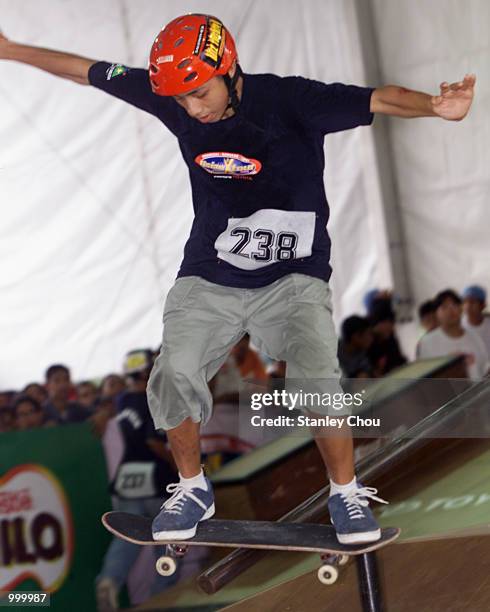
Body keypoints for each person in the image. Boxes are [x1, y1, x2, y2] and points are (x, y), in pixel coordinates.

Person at [0, 14, 476, 545]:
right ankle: (192, 487)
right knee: (174, 369)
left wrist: (434, 107)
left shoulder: (291, 101)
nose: (193, 110)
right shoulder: (174, 97)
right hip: (211, 276)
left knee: (316, 375)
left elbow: (379, 99)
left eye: (200, 94)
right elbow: (86, 71)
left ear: (229, 70)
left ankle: (346, 493)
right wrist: (12, 49)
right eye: (181, 102)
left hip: (294, 277)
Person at [96, 349, 178, 610]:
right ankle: (160, 600)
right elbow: (154, 442)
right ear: (147, 371)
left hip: (128, 480)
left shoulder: (123, 401)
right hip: (156, 479)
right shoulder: (149, 400)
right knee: (168, 543)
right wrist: (180, 468)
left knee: (126, 539)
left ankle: (109, 579)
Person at [418, 289, 489, 380]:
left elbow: (485, 367)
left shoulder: (474, 336)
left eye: (455, 305)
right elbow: (426, 378)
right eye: (444, 307)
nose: (450, 310)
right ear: (436, 313)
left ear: (461, 309)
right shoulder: (428, 342)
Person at [462, 285, 490, 355]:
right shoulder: (458, 327)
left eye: (472, 302)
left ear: (483, 305)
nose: (467, 306)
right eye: (464, 302)